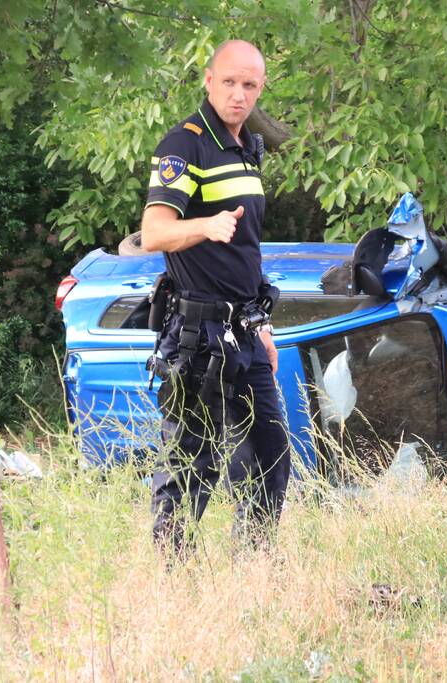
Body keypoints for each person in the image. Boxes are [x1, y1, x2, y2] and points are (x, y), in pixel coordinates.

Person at [140, 39, 290, 559]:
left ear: (260, 88)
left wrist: (261, 324)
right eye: (229, 82)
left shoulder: (251, 147)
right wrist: (207, 224)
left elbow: (245, 252)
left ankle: (253, 572)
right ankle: (174, 580)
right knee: (190, 465)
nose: (238, 94)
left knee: (269, 456)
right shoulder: (185, 145)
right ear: (209, 81)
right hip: (197, 337)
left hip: (243, 332)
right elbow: (155, 232)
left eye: (249, 85)